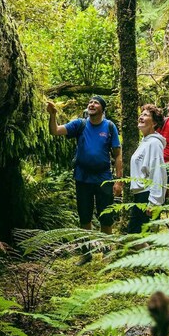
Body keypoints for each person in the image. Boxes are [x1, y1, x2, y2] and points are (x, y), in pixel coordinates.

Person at [46, 95, 123, 236]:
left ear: (103, 109)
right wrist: (53, 114)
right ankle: (87, 251)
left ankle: (106, 250)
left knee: (106, 217)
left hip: (104, 178)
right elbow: (55, 131)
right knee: (84, 215)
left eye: (96, 103)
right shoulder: (79, 124)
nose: (92, 105)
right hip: (83, 178)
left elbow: (118, 154)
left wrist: (118, 181)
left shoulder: (110, 127)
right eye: (90, 102)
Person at [126, 104, 167, 234]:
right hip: (140, 195)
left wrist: (154, 202)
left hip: (147, 195)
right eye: (141, 114)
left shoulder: (154, 143)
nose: (141, 117)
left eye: (146, 115)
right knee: (139, 236)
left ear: (154, 123)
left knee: (135, 235)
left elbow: (157, 172)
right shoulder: (145, 142)